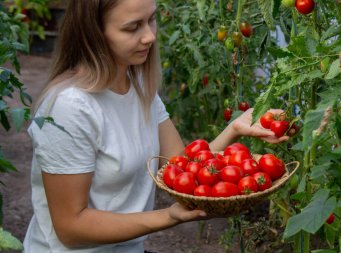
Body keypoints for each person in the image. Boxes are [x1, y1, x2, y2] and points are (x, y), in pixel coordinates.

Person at [23, 0, 289, 252]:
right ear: (93, 33)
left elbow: (182, 168)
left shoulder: (138, 88)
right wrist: (167, 216)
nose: (150, 36)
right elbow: (70, 227)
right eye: (132, 27)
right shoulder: (70, 108)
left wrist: (234, 128)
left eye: (151, 20)